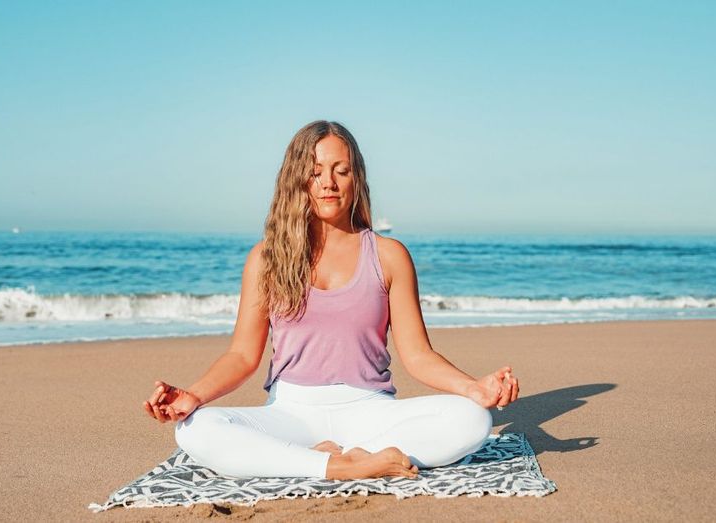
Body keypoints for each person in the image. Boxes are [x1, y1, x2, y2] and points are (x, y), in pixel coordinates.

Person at [143, 120, 519, 480]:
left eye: (341, 170)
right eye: (316, 170)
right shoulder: (266, 258)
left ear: (357, 179)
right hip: (291, 411)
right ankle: (340, 465)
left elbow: (418, 356)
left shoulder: (388, 255)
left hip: (369, 409)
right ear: (297, 178)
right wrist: (193, 395)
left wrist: (474, 388)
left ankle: (332, 458)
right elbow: (242, 356)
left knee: (473, 419)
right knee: (195, 429)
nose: (328, 183)